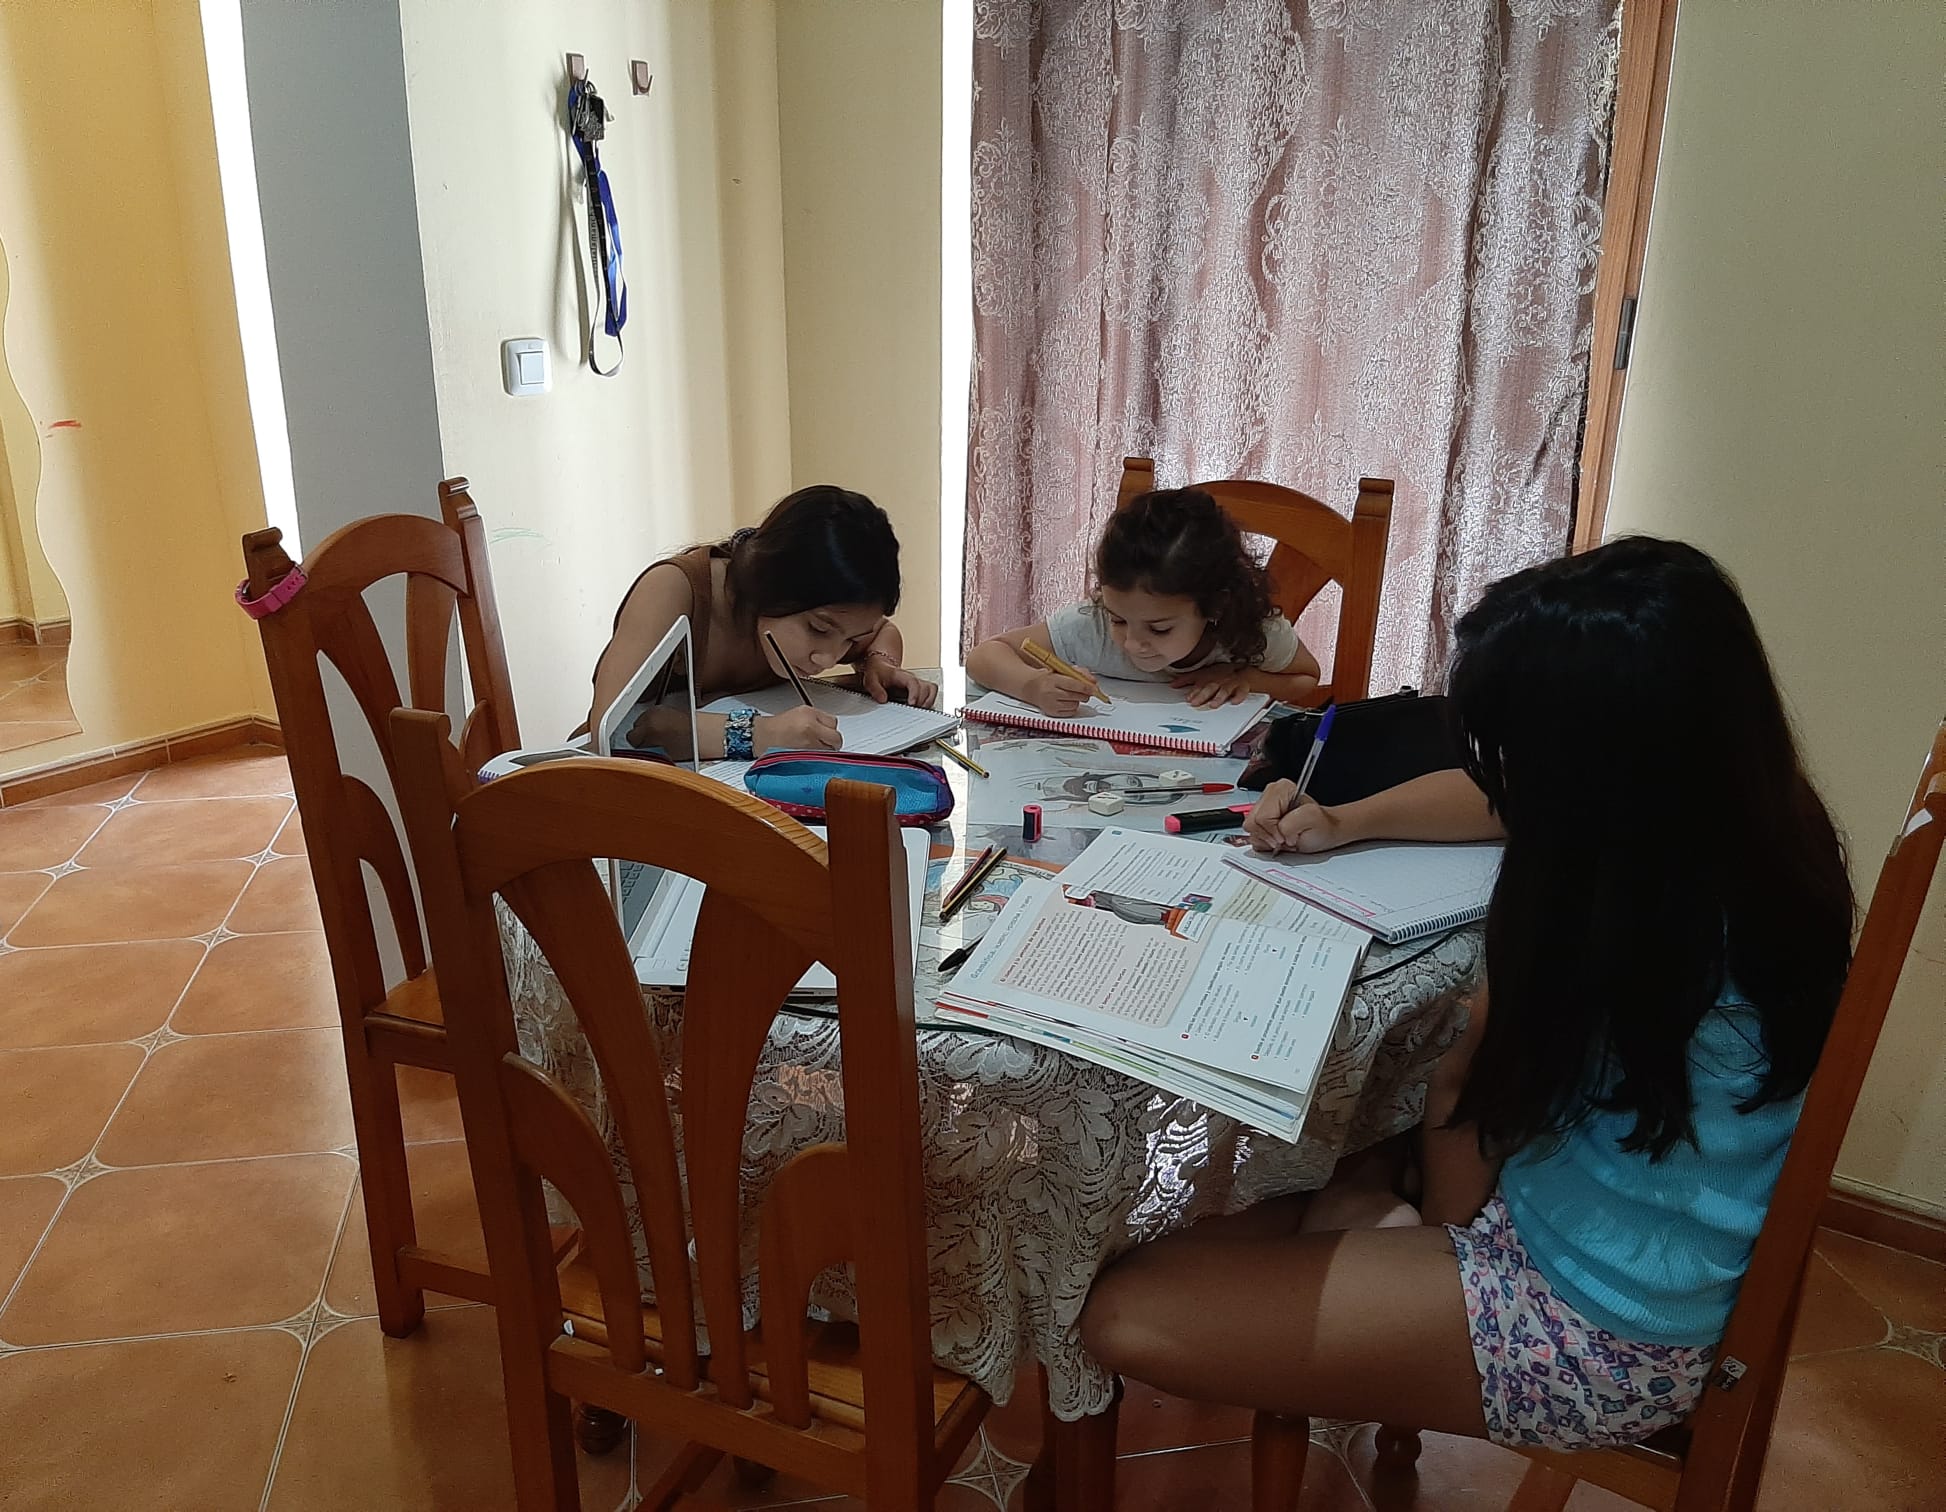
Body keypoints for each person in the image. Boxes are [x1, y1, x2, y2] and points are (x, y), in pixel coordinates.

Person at [1079, 536, 1854, 1451]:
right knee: (1323, 1168)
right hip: (1629, 1247)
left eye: (1513, 751)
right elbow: (1496, 801)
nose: (1499, 776)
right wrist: (1344, 822)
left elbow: (1464, 1104)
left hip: (1591, 1328)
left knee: (1120, 1310)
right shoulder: (1744, 825)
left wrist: (1422, 1241)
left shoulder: (1601, 902)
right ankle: (1360, 1220)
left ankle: (1367, 1227)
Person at [588, 485, 937, 759]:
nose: (827, 660)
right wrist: (757, 735)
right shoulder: (675, 591)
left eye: (848, 641)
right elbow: (608, 728)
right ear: (769, 581)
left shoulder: (821, 621)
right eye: (819, 629)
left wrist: (880, 664)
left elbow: (882, 632)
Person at [965, 487, 1320, 715]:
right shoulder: (1094, 625)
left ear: (1216, 606)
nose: (1133, 643)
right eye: (1119, 619)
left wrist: (1243, 677)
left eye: (1159, 628)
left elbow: (1307, 677)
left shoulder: (1252, 629)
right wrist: (1032, 685)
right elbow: (984, 656)